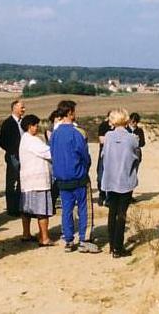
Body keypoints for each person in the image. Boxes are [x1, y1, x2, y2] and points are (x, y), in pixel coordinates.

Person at [50, 100, 99, 254]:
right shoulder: (77, 132)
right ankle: (85, 240)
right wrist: (85, 168)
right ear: (70, 113)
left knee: (67, 210)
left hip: (62, 178)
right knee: (84, 209)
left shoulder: (55, 133)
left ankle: (69, 240)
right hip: (78, 176)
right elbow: (84, 155)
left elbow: (53, 154)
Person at [100, 109, 141, 258]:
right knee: (121, 214)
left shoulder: (108, 136)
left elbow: (103, 155)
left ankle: (112, 245)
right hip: (125, 179)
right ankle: (118, 247)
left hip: (110, 180)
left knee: (112, 212)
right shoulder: (132, 138)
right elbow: (137, 157)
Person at [18, 114, 54, 246]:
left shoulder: (25, 139)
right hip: (38, 180)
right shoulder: (32, 141)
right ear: (30, 126)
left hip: (28, 180)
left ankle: (26, 233)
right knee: (42, 210)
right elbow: (48, 153)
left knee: (26, 209)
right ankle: (44, 238)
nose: (37, 128)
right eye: (35, 125)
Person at [0, 99, 26, 216]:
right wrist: (12, 151)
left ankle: (20, 206)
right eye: (22, 107)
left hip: (24, 156)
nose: (24, 109)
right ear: (14, 108)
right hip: (13, 156)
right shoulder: (8, 123)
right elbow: (2, 141)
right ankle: (12, 208)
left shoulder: (23, 122)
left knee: (22, 181)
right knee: (12, 182)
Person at [96, 113, 112, 206]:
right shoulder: (103, 125)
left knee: (111, 176)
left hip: (114, 154)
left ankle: (109, 198)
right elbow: (102, 140)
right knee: (100, 176)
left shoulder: (118, 127)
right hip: (104, 153)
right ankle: (102, 194)